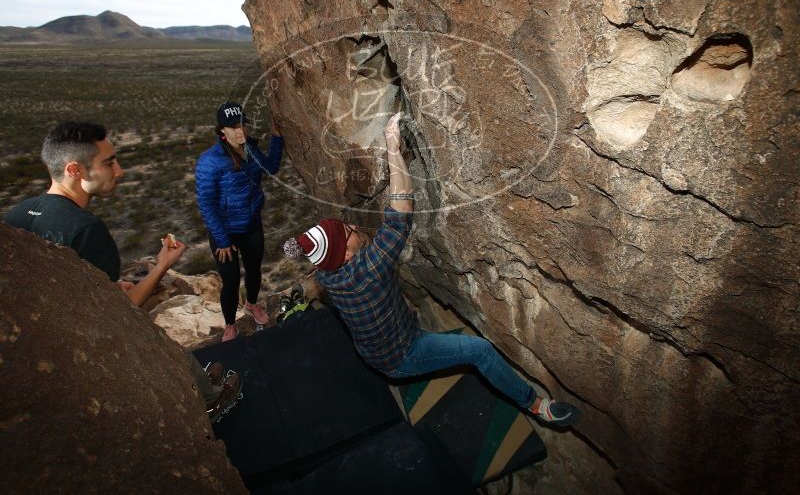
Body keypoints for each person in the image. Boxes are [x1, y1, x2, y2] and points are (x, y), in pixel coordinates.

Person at [284, 113, 580, 427]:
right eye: (349, 230)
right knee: (478, 351)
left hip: (375, 350)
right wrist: (393, 149)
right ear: (344, 255)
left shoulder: (330, 274)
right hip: (402, 355)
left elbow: (318, 275)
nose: (355, 226)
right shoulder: (367, 272)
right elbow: (401, 211)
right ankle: (536, 406)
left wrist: (302, 287)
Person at [3, 121, 242, 421]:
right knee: (154, 339)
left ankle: (200, 382)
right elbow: (123, 311)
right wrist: (162, 266)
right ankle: (210, 399)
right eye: (109, 163)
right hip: (81, 348)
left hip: (37, 339)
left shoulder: (17, 213)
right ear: (75, 170)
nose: (120, 172)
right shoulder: (87, 231)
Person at [195, 101, 284, 342]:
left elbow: (272, 167)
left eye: (242, 124)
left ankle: (252, 305)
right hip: (225, 233)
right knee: (231, 280)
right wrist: (222, 240)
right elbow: (206, 204)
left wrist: (277, 137)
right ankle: (230, 325)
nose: (240, 130)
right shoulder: (210, 161)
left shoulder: (252, 150)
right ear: (221, 130)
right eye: (233, 126)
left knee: (254, 270)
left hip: (252, 225)